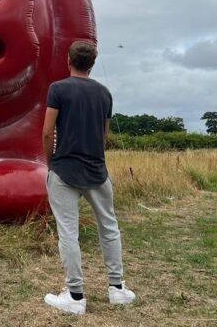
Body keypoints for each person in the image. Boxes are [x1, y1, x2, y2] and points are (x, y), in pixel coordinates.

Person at [41, 40, 136, 315]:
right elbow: (104, 135)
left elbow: (48, 131)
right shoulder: (104, 94)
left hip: (64, 170)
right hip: (97, 171)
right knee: (109, 228)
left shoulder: (58, 89)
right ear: (92, 64)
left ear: (68, 60)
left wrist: (51, 163)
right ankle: (117, 289)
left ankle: (75, 295)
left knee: (68, 232)